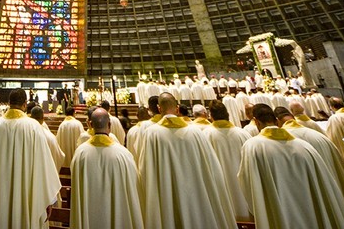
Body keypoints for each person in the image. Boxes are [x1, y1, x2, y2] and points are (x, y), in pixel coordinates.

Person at [238, 104, 344, 229]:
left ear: (256, 121)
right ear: (277, 121)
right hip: (312, 212)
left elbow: (247, 182)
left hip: (280, 213)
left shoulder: (253, 146)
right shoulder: (304, 146)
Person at [138, 92, 236, 228]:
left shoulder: (151, 133)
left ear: (159, 109)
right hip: (198, 196)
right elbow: (214, 167)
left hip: (168, 198)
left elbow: (145, 171)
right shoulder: (195, 132)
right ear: (177, 108)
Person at [0, 88, 61, 228]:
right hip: (26, 197)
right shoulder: (33, 127)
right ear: (25, 104)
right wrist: (49, 199)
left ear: (8, 103)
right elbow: (43, 165)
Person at [274, 107, 344, 228]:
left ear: (277, 121)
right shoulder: (319, 136)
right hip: (332, 195)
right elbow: (343, 167)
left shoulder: (280, 144)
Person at [70, 108, 142, 229]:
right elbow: (133, 186)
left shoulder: (80, 154)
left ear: (91, 125)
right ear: (109, 125)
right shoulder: (123, 154)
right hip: (118, 214)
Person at [205, 100, 251, 222]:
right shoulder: (243, 134)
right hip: (245, 188)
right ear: (228, 114)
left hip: (220, 188)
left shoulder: (205, 135)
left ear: (211, 115)